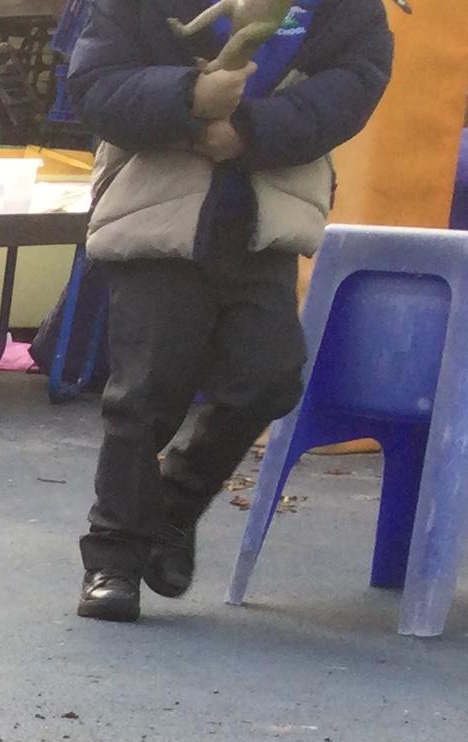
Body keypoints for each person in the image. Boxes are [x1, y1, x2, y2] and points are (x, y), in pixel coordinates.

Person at [68, 0, 391, 621]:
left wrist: (249, 129)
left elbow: (354, 86)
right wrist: (190, 96)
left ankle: (174, 505)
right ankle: (114, 558)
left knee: (269, 376)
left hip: (266, 217)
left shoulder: (344, 7)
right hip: (157, 210)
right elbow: (95, 84)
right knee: (147, 390)